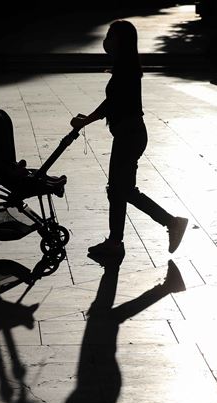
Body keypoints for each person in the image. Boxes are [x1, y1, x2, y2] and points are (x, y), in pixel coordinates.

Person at [70, 20, 188, 259]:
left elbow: (111, 104)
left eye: (111, 36)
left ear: (121, 41)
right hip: (128, 134)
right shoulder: (125, 67)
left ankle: (170, 223)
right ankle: (118, 241)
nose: (106, 41)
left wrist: (86, 121)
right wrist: (88, 118)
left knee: (121, 190)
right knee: (120, 190)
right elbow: (111, 104)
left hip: (130, 135)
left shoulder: (126, 70)